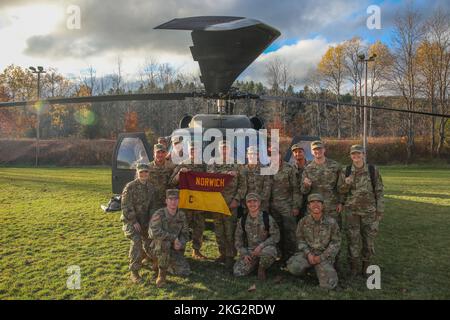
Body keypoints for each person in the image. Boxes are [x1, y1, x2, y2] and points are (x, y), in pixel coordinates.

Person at [338, 144, 384, 276]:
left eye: (359, 154)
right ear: (350, 156)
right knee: (352, 239)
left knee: (368, 241)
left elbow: (379, 191)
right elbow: (340, 191)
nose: (356, 156)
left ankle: (366, 266)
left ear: (363, 155)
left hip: (369, 212)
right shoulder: (346, 170)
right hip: (352, 212)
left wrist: (379, 211)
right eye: (353, 154)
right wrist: (346, 183)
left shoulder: (372, 170)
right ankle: (353, 267)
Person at [286, 193, 341, 290]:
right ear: (308, 206)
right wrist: (308, 254)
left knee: (329, 285)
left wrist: (321, 257)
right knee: (293, 267)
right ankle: (311, 270)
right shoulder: (303, 222)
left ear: (323, 206)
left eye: (318, 202)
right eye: (312, 202)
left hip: (324, 256)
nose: (315, 205)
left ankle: (316, 270)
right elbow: (300, 239)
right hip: (308, 254)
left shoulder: (331, 222)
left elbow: (335, 243)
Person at [207, 140, 242, 269]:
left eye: (226, 148)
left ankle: (230, 256)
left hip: (230, 204)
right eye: (222, 148)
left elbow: (243, 185)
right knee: (219, 230)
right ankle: (222, 253)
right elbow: (209, 178)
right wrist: (225, 175)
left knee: (230, 231)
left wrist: (237, 200)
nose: (224, 150)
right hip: (216, 203)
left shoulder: (237, 164)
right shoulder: (212, 162)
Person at [170, 141, 208, 259]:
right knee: (183, 228)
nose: (193, 152)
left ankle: (196, 250)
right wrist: (179, 174)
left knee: (199, 227)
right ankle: (180, 251)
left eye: (195, 149)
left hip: (199, 203)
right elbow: (172, 182)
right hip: (186, 203)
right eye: (191, 150)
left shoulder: (203, 166)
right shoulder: (182, 164)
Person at [120, 163, 155, 284]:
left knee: (152, 240)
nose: (144, 174)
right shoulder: (130, 187)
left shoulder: (151, 187)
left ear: (149, 173)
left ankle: (149, 258)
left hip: (145, 221)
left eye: (146, 172)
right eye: (141, 172)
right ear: (137, 173)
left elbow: (152, 206)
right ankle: (134, 272)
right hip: (130, 220)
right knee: (136, 241)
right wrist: (133, 221)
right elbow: (125, 206)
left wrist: (151, 220)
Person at [149, 189, 190, 288]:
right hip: (157, 247)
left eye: (176, 199)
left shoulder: (181, 215)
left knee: (184, 272)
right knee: (165, 244)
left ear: (179, 201)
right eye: (170, 199)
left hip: (174, 247)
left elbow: (185, 233)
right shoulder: (159, 214)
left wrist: (180, 242)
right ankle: (161, 275)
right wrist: (173, 238)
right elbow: (154, 232)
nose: (173, 202)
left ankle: (166, 263)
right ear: (166, 201)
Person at [234, 193, 280, 281]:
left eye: (255, 201)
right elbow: (238, 239)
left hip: (265, 248)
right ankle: (255, 264)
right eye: (249, 202)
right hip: (250, 251)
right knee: (237, 272)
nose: (252, 204)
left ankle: (261, 268)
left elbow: (276, 236)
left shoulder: (266, 218)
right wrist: (244, 254)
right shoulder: (243, 220)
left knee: (269, 253)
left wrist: (261, 246)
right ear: (246, 204)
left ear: (259, 203)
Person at [269, 146, 301, 264]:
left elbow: (296, 189)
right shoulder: (268, 169)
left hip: (287, 206)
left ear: (281, 155)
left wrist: (296, 206)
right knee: (276, 232)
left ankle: (292, 257)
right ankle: (279, 256)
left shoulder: (289, 169)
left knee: (290, 233)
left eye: (276, 154)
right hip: (273, 207)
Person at [301, 140, 344, 225]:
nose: (318, 151)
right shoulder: (308, 169)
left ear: (324, 150)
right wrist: (306, 186)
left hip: (332, 206)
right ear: (312, 152)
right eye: (315, 149)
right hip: (315, 207)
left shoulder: (335, 166)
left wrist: (341, 202)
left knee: (334, 230)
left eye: (320, 149)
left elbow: (341, 186)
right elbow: (303, 191)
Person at [237, 146, 272, 212]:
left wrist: (259, 202)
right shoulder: (242, 169)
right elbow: (240, 186)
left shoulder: (264, 169)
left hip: (261, 205)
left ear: (258, 155)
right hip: (246, 205)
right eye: (250, 154)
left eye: (255, 154)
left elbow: (267, 188)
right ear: (246, 155)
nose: (252, 156)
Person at [148, 143, 176, 210]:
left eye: (163, 152)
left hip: (167, 204)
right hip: (152, 204)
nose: (160, 155)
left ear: (166, 153)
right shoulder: (147, 168)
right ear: (154, 154)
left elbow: (175, 182)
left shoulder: (172, 167)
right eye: (158, 152)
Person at [291, 143, 309, 217]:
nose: (298, 154)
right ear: (293, 154)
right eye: (295, 152)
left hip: (309, 199)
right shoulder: (290, 168)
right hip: (295, 201)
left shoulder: (311, 167)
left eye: (300, 151)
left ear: (304, 153)